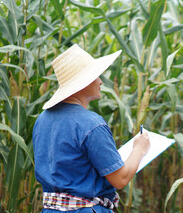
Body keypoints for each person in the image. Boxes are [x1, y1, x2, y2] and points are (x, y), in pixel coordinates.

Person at [32, 44, 150, 212]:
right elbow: (121, 179)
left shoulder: (42, 120)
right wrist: (140, 148)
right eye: (96, 76)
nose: (101, 81)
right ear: (83, 82)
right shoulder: (91, 124)